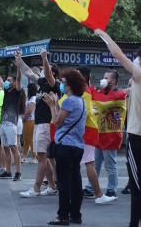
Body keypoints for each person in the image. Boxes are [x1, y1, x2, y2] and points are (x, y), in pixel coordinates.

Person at [95, 29, 141, 227]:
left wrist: (103, 34)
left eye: (138, 58)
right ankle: (135, 224)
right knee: (137, 186)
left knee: (138, 187)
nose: (135, 60)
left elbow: (117, 53)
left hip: (138, 138)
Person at [43, 68, 87, 225]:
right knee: (76, 181)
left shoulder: (69, 101)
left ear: (69, 85)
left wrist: (51, 105)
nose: (61, 84)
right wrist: (55, 103)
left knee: (63, 182)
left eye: (63, 82)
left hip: (65, 145)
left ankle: (62, 216)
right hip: (77, 146)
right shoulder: (81, 101)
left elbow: (57, 122)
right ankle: (75, 214)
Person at [16, 49, 60, 197]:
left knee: (41, 157)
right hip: (38, 124)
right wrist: (20, 60)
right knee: (44, 157)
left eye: (44, 69)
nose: (41, 71)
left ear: (52, 73)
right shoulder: (42, 83)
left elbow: (47, 73)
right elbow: (29, 72)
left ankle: (36, 188)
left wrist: (45, 57)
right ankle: (52, 186)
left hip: (46, 125)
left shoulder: (54, 84)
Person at [83, 69, 124, 201]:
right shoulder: (102, 93)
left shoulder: (120, 94)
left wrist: (91, 89)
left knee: (110, 165)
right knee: (95, 165)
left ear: (113, 81)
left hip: (111, 136)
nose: (103, 79)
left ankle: (112, 190)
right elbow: (95, 100)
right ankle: (90, 188)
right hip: (100, 134)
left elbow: (101, 101)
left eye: (106, 77)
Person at [0, 59, 23, 181]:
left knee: (13, 147)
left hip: (11, 123)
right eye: (6, 80)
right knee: (6, 147)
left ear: (13, 83)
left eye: (9, 80)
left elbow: (18, 80)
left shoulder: (16, 92)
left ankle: (18, 172)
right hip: (2, 124)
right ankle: (8, 171)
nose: (6, 82)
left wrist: (19, 67)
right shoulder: (5, 91)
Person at [22, 83, 37, 164]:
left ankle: (34, 157)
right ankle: (24, 156)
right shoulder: (30, 98)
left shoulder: (33, 98)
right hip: (27, 120)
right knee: (26, 139)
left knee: (31, 139)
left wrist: (24, 117)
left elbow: (30, 110)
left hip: (31, 120)